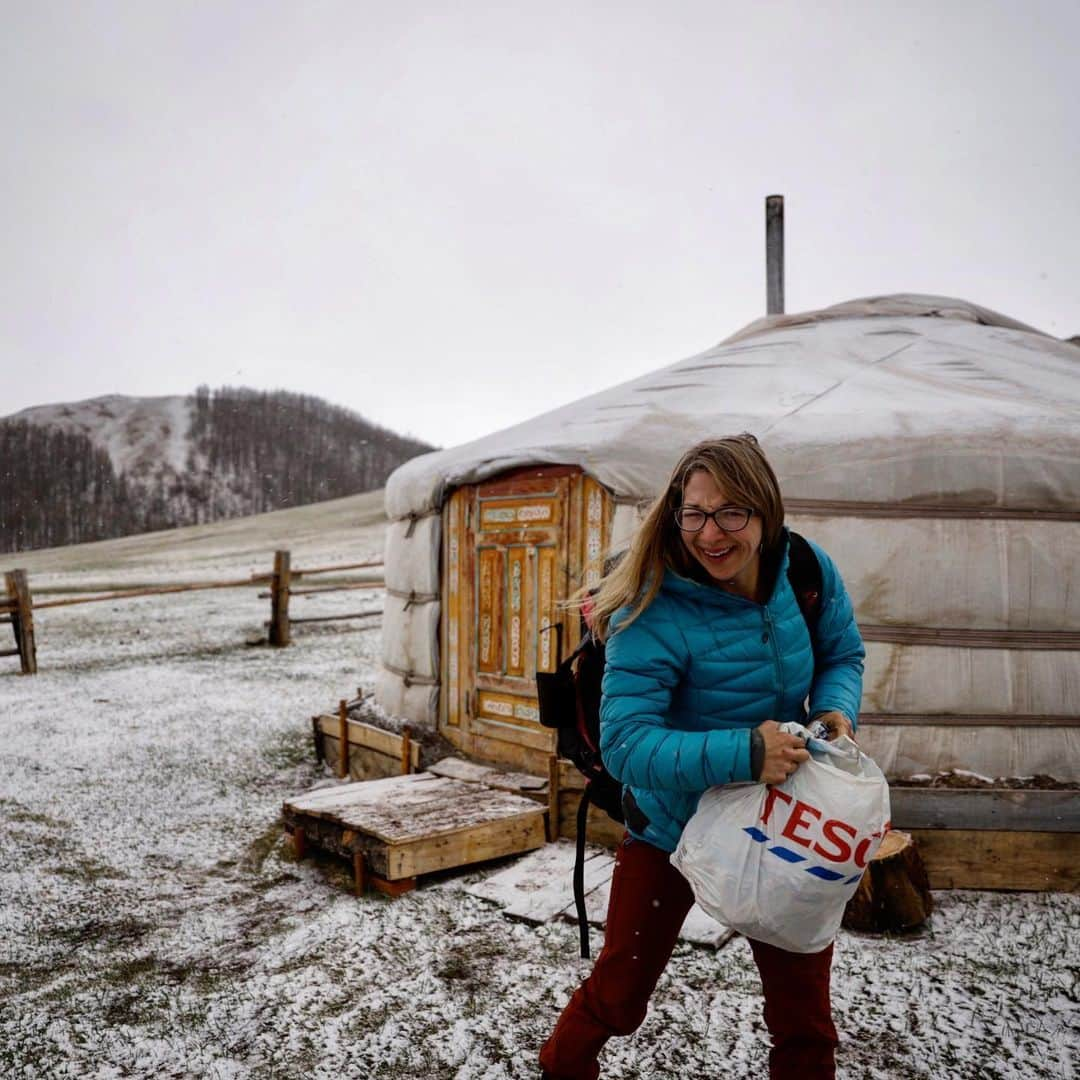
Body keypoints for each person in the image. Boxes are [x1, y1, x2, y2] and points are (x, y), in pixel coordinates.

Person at [538, 434, 865, 1080]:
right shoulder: (651, 606)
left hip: (775, 827)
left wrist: (834, 710)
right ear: (676, 512)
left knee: (804, 1023)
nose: (711, 533)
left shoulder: (802, 570)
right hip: (671, 827)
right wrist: (746, 752)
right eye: (695, 513)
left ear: (766, 512)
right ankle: (561, 1068)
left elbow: (841, 652)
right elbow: (628, 744)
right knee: (619, 996)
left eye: (731, 512)